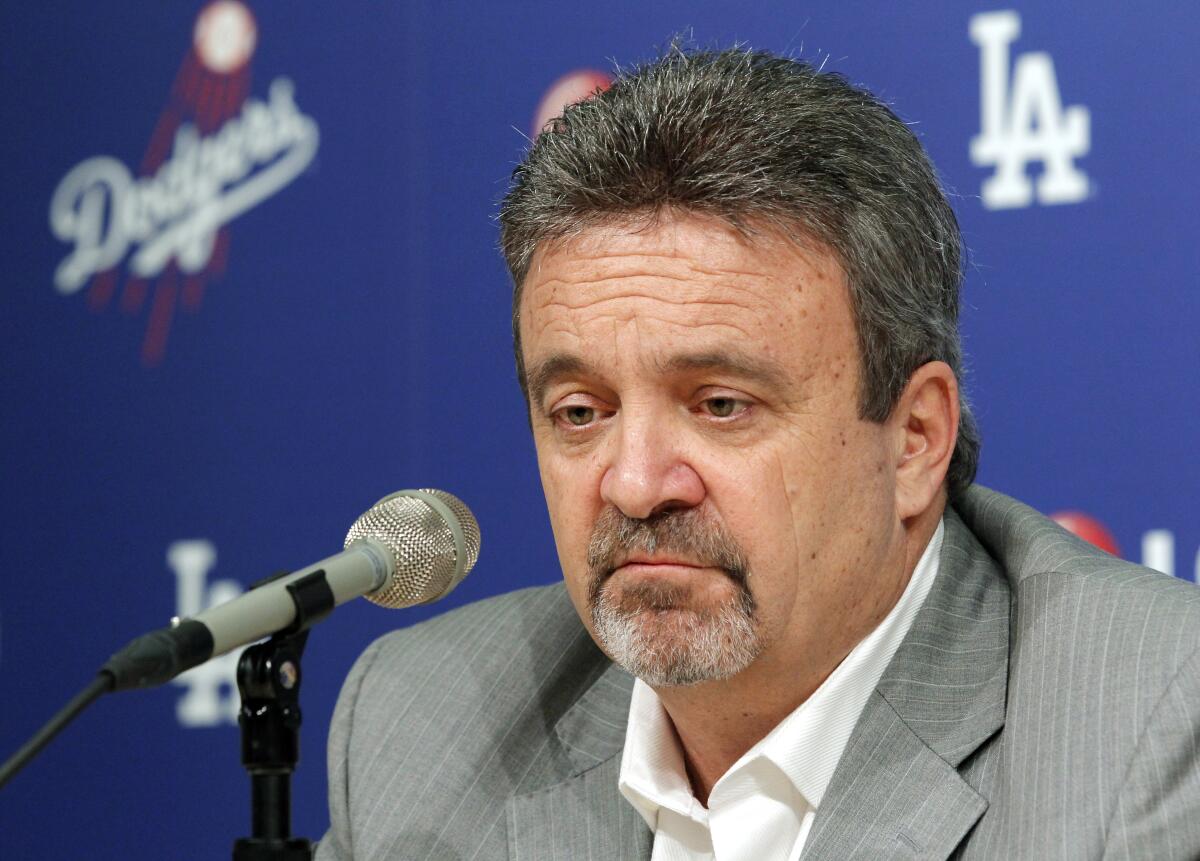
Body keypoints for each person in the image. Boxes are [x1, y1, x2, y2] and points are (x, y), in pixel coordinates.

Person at [316, 46, 1200, 860]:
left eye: (721, 404)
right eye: (580, 411)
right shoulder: (423, 726)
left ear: (915, 439)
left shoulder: (1149, 723)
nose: (634, 483)